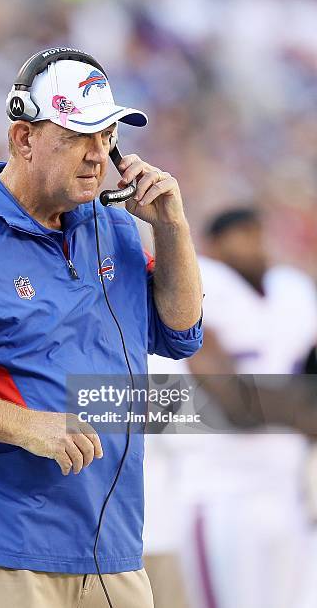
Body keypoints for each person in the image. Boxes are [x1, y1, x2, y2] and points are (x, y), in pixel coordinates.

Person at [0, 48, 203, 608]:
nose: (99, 156)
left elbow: (178, 330)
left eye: (107, 135)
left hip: (111, 543)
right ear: (23, 139)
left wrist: (172, 226)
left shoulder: (111, 224)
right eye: (78, 136)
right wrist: (26, 426)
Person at [144, 207, 317, 608]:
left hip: (286, 490)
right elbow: (232, 402)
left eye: (259, 233)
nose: (257, 245)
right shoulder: (205, 284)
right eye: (244, 235)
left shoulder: (291, 290)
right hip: (221, 493)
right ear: (215, 245)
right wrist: (301, 414)